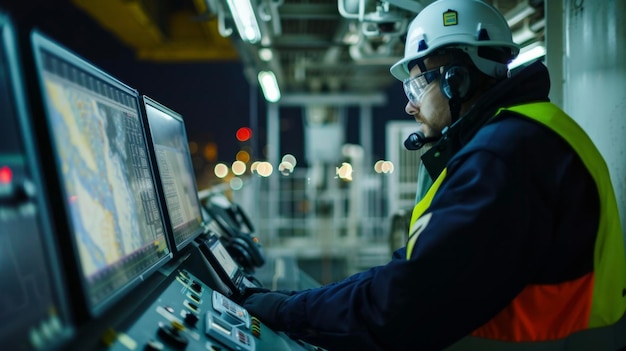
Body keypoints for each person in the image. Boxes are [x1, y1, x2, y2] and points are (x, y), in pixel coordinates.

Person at [239, 0, 626, 350]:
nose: (410, 105)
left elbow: (404, 301)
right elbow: (411, 272)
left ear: (457, 79)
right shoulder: (522, 133)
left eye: (418, 84)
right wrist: (293, 301)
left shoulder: (501, 155)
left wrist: (291, 313)